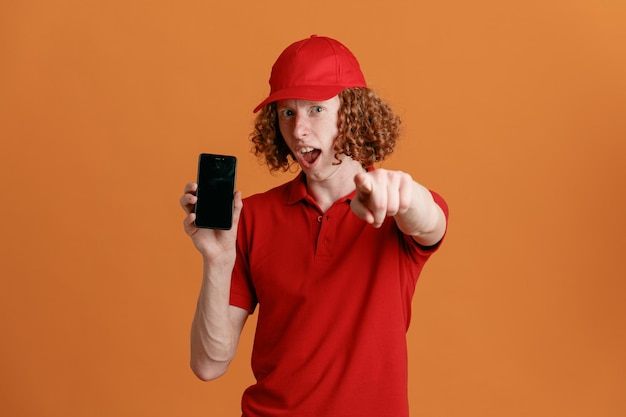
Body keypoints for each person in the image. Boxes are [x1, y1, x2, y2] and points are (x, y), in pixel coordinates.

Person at [179, 35, 449, 417]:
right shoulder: (252, 217)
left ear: (352, 111)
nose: (299, 130)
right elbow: (208, 364)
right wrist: (217, 259)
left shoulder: (397, 214)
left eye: (315, 110)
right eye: (287, 113)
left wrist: (402, 196)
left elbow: (429, 221)